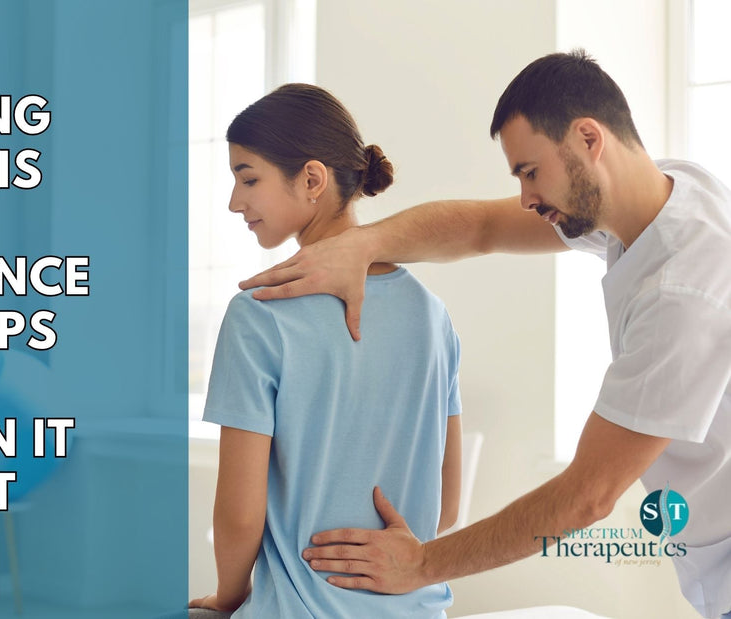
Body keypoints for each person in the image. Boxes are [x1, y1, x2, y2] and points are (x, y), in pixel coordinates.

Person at [242, 51, 731, 619]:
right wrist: (362, 245)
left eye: (530, 171)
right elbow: (482, 226)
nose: (525, 197)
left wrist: (421, 565)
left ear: (589, 139)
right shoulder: (670, 194)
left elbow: (587, 496)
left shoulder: (682, 292)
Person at [188, 83, 463, 618]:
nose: (235, 201)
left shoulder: (260, 313)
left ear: (312, 179)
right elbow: (445, 508)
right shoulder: (434, 316)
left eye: (249, 178)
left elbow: (239, 517)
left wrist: (228, 599)